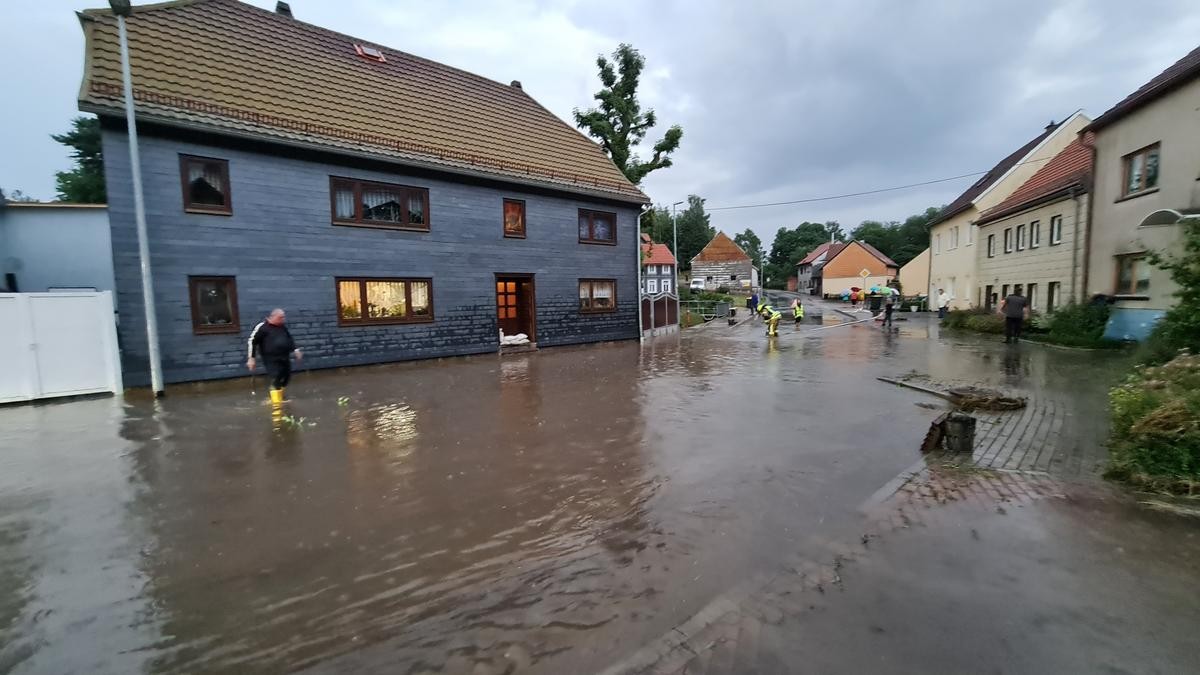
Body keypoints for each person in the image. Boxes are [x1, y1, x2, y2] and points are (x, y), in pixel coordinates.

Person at [247, 308, 302, 404]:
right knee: (275, 376)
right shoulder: (263, 327)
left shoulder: (282, 327)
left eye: (283, 317)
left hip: (284, 356)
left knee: (286, 376)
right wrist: (251, 358)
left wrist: (295, 350)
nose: (283, 319)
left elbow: (289, 339)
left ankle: (280, 396)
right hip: (270, 358)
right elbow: (252, 341)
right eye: (280, 317)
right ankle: (277, 404)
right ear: (273, 317)